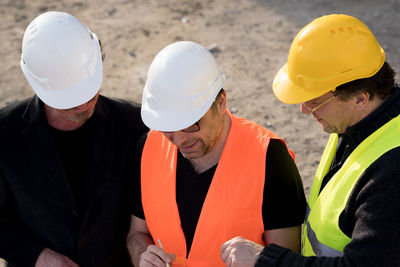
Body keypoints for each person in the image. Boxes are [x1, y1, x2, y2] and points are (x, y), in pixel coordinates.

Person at [221, 14, 400, 267]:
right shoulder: (353, 122)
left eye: (314, 101)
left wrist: (266, 260)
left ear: (360, 98)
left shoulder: (392, 174)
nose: (304, 110)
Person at [126, 41, 307, 267]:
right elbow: (136, 234)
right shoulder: (148, 149)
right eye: (168, 128)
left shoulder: (270, 158)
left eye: (191, 124)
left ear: (221, 102)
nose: (180, 139)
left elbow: (286, 261)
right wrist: (144, 255)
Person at [0, 11, 147, 266]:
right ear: (38, 84)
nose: (83, 105)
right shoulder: (4, 135)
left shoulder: (134, 126)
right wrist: (38, 256)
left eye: (89, 92)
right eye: (70, 99)